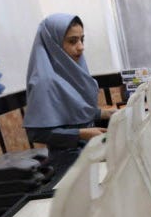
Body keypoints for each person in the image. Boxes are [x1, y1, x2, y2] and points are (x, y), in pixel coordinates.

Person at [23, 13, 115, 168]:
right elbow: (36, 133)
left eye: (82, 39)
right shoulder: (44, 82)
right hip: (68, 165)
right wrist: (81, 134)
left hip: (88, 153)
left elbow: (73, 112)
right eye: (73, 41)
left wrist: (104, 114)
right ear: (54, 44)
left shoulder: (70, 72)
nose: (81, 47)